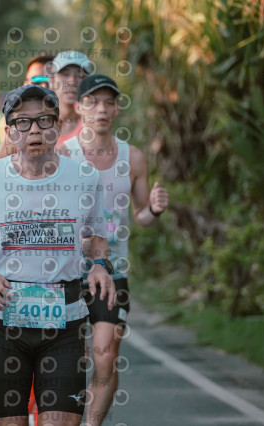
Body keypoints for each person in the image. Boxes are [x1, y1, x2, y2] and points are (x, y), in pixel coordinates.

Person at [0, 84, 116, 426]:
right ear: (9, 132)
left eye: (44, 120)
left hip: (65, 324)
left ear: (57, 127)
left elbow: (96, 235)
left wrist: (99, 265)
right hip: (2, 324)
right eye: (23, 122)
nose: (34, 130)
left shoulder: (84, 178)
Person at [57, 74, 169, 425]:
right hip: (67, 274)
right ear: (79, 107)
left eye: (109, 102)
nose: (102, 109)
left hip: (114, 271)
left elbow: (141, 216)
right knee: (73, 360)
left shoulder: (133, 158)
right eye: (93, 102)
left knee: (105, 355)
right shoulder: (63, 155)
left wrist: (154, 209)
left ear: (117, 109)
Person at [0, 54, 54, 161]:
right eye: (36, 81)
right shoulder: (14, 122)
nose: (43, 87)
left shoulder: (80, 119)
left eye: (50, 81)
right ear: (25, 84)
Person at [49, 50, 92, 147]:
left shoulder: (94, 127)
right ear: (52, 82)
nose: (72, 81)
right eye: (65, 74)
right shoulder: (39, 126)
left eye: (80, 76)